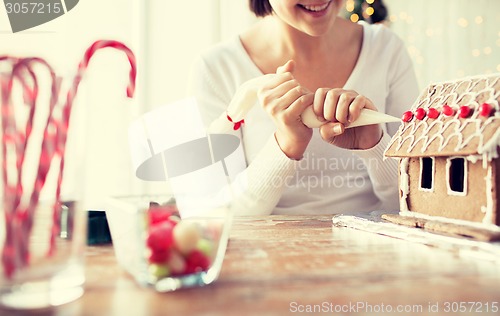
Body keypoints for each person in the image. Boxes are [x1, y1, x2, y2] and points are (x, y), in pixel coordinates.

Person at [187, 0, 419, 216]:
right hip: (266, 253)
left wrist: (375, 146)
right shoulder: (216, 68)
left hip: (378, 249)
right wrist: (286, 146)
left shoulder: (386, 49)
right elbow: (212, 216)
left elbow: (421, 204)